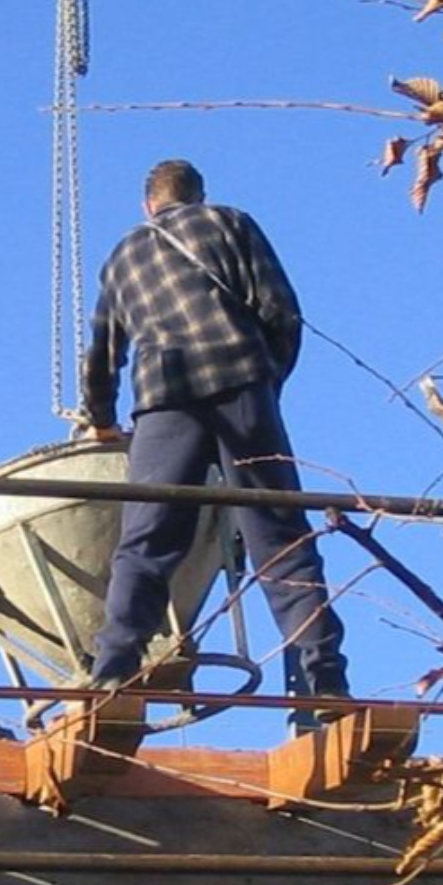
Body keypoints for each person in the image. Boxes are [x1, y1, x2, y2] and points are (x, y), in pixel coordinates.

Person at [80, 158, 349, 704]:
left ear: (147, 205)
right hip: (242, 386)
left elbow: (102, 355)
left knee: (146, 542)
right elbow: (281, 310)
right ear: (198, 196)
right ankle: (323, 683)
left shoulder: (123, 256)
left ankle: (111, 673)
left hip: (164, 400)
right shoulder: (230, 223)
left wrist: (103, 420)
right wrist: (265, 383)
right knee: (281, 541)